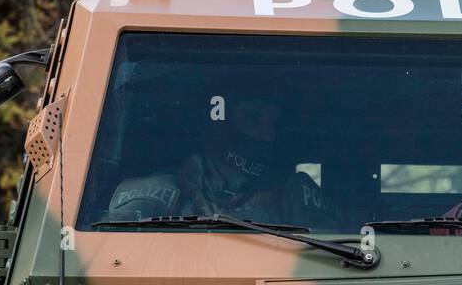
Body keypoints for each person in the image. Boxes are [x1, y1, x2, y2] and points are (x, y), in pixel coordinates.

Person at [103, 97, 339, 229]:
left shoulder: (292, 196)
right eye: (253, 119)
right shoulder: (154, 195)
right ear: (218, 128)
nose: (269, 134)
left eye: (273, 123)